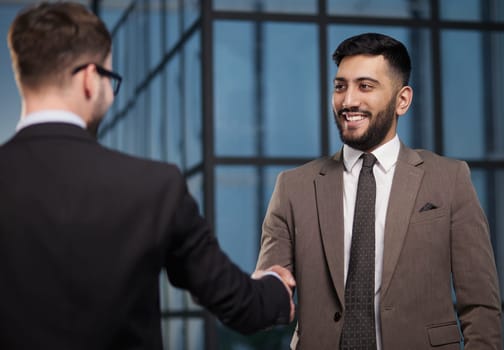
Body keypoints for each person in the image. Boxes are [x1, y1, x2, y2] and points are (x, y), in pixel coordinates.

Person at [0, 2, 295, 349]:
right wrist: (275, 285)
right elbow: (239, 304)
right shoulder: (154, 187)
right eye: (111, 78)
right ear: (89, 80)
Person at [256, 32, 502, 349]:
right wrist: (259, 294)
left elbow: (481, 303)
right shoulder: (293, 187)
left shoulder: (449, 178)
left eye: (365, 86)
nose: (348, 101)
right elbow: (268, 296)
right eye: (340, 86)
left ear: (402, 100)